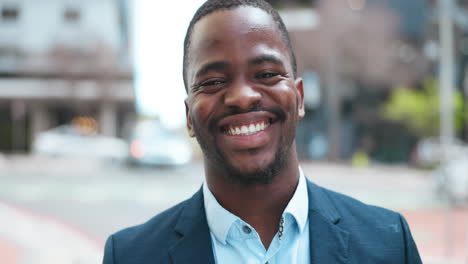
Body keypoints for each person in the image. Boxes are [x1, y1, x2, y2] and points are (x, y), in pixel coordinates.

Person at [103, 0, 422, 263]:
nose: (242, 96)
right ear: (189, 116)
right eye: (213, 82)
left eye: (267, 73)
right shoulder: (131, 255)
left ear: (299, 97)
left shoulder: (389, 243)